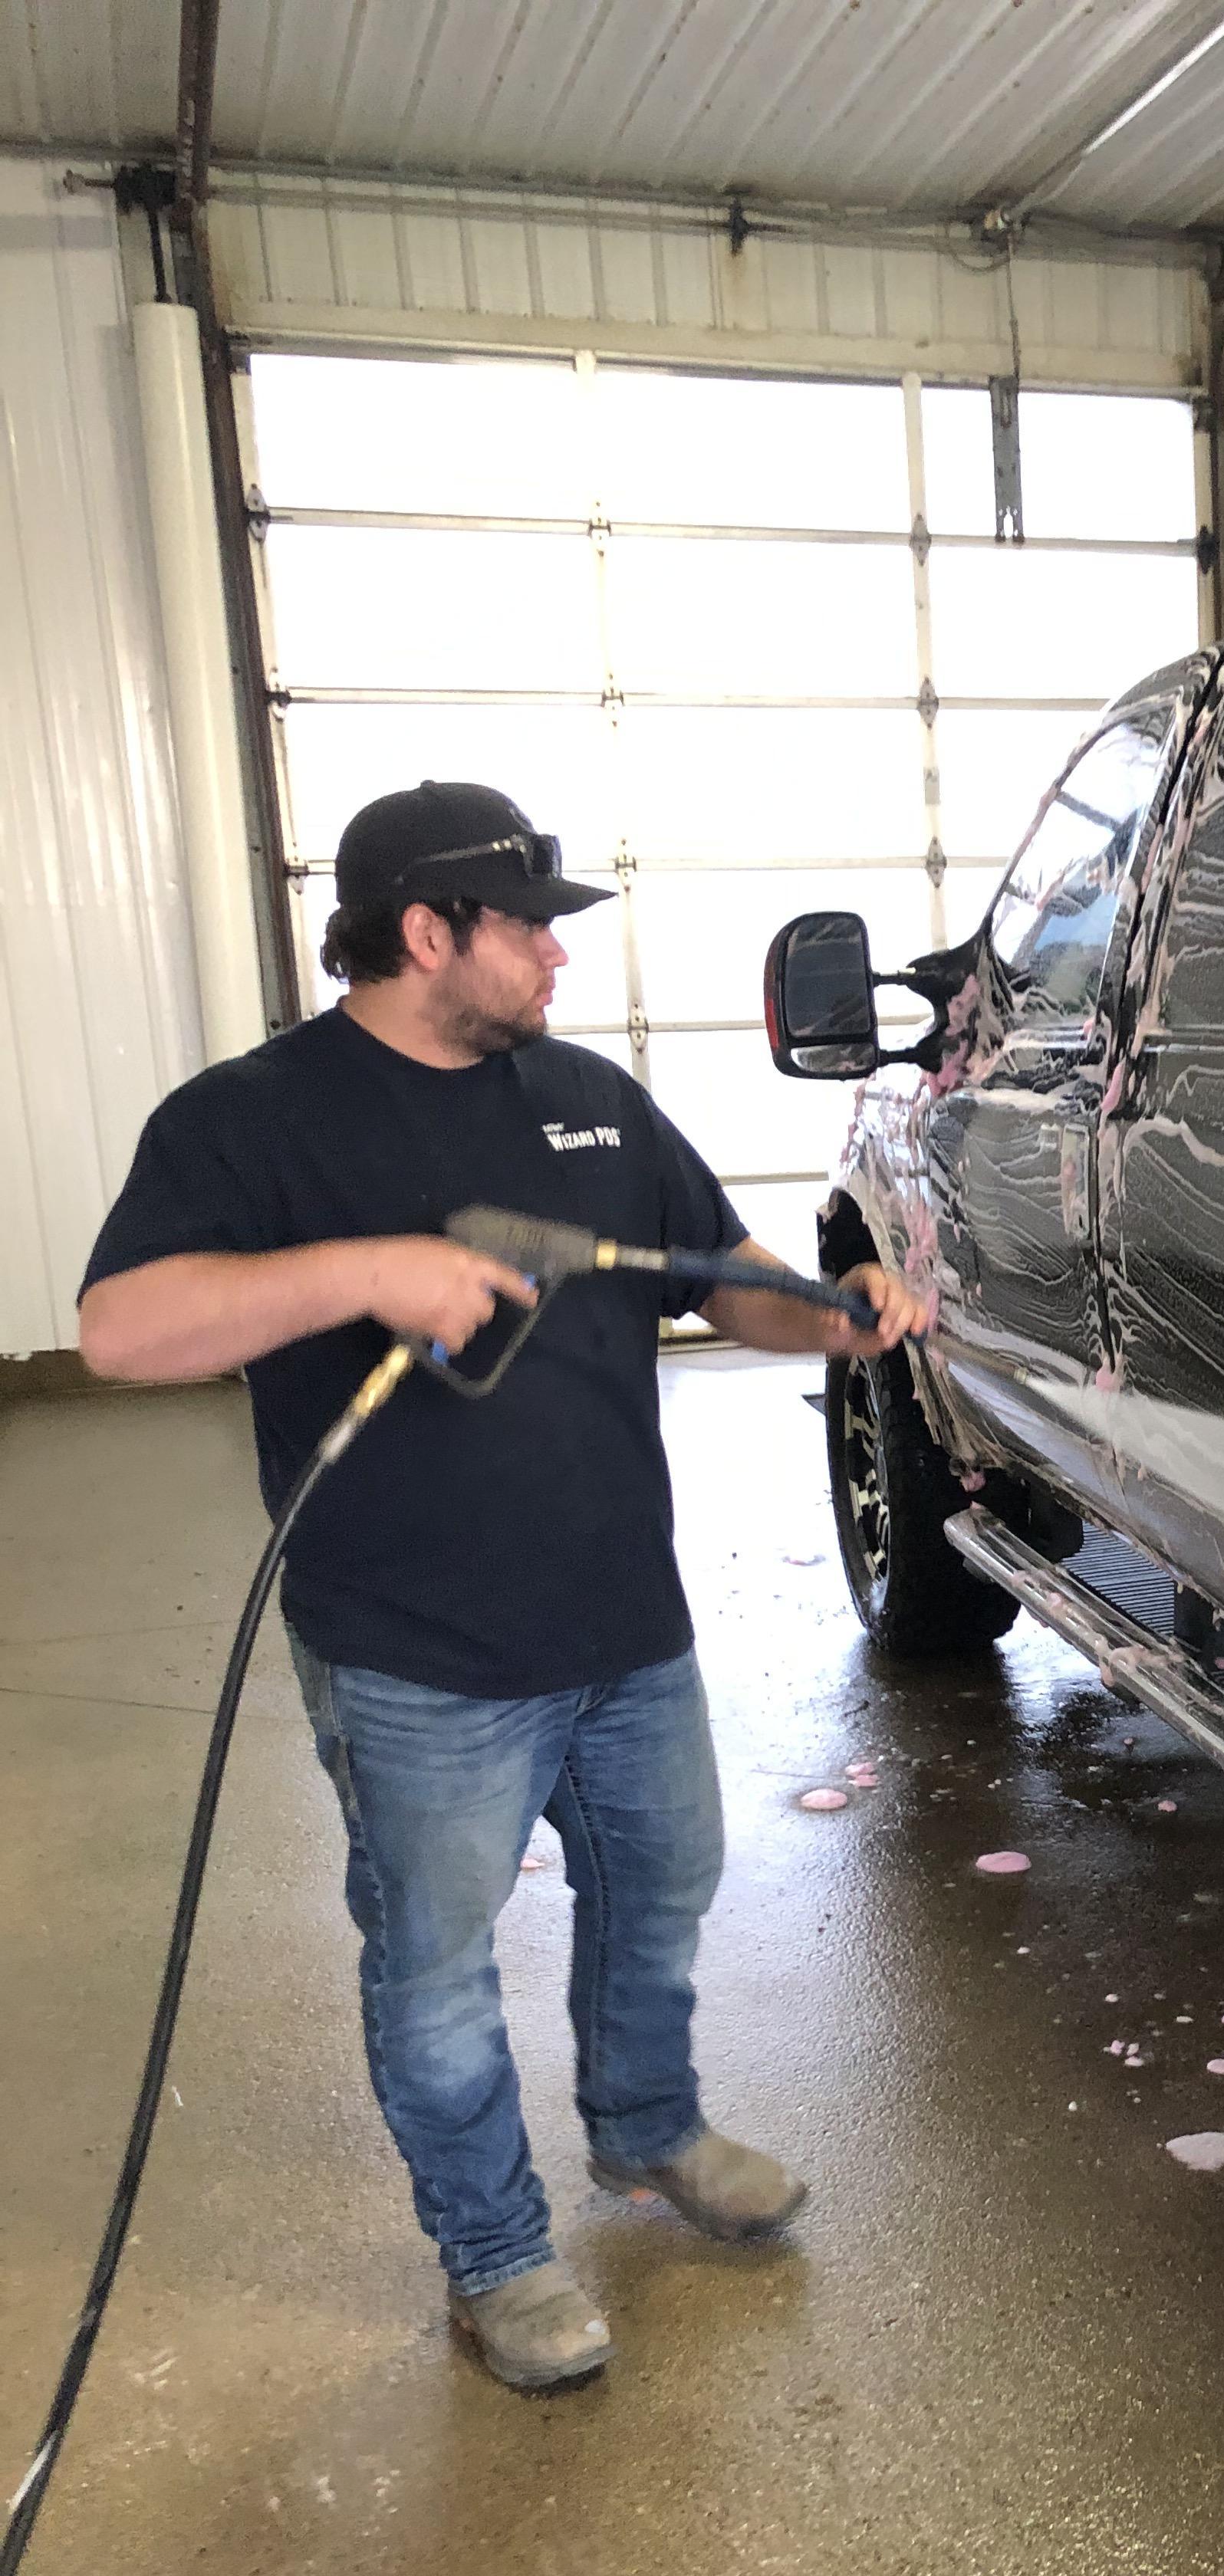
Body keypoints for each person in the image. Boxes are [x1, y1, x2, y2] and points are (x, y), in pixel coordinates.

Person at [77, 780, 927, 2391]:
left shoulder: (590, 1101)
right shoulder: (249, 1117)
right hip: (418, 1656)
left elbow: (725, 1285)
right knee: (438, 1971)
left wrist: (837, 1311)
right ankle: (493, 2258)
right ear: (425, 933)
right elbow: (120, 1331)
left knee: (660, 1889)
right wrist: (363, 1272)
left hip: (626, 1622)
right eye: (528, 927)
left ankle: (647, 2125)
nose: (557, 956)